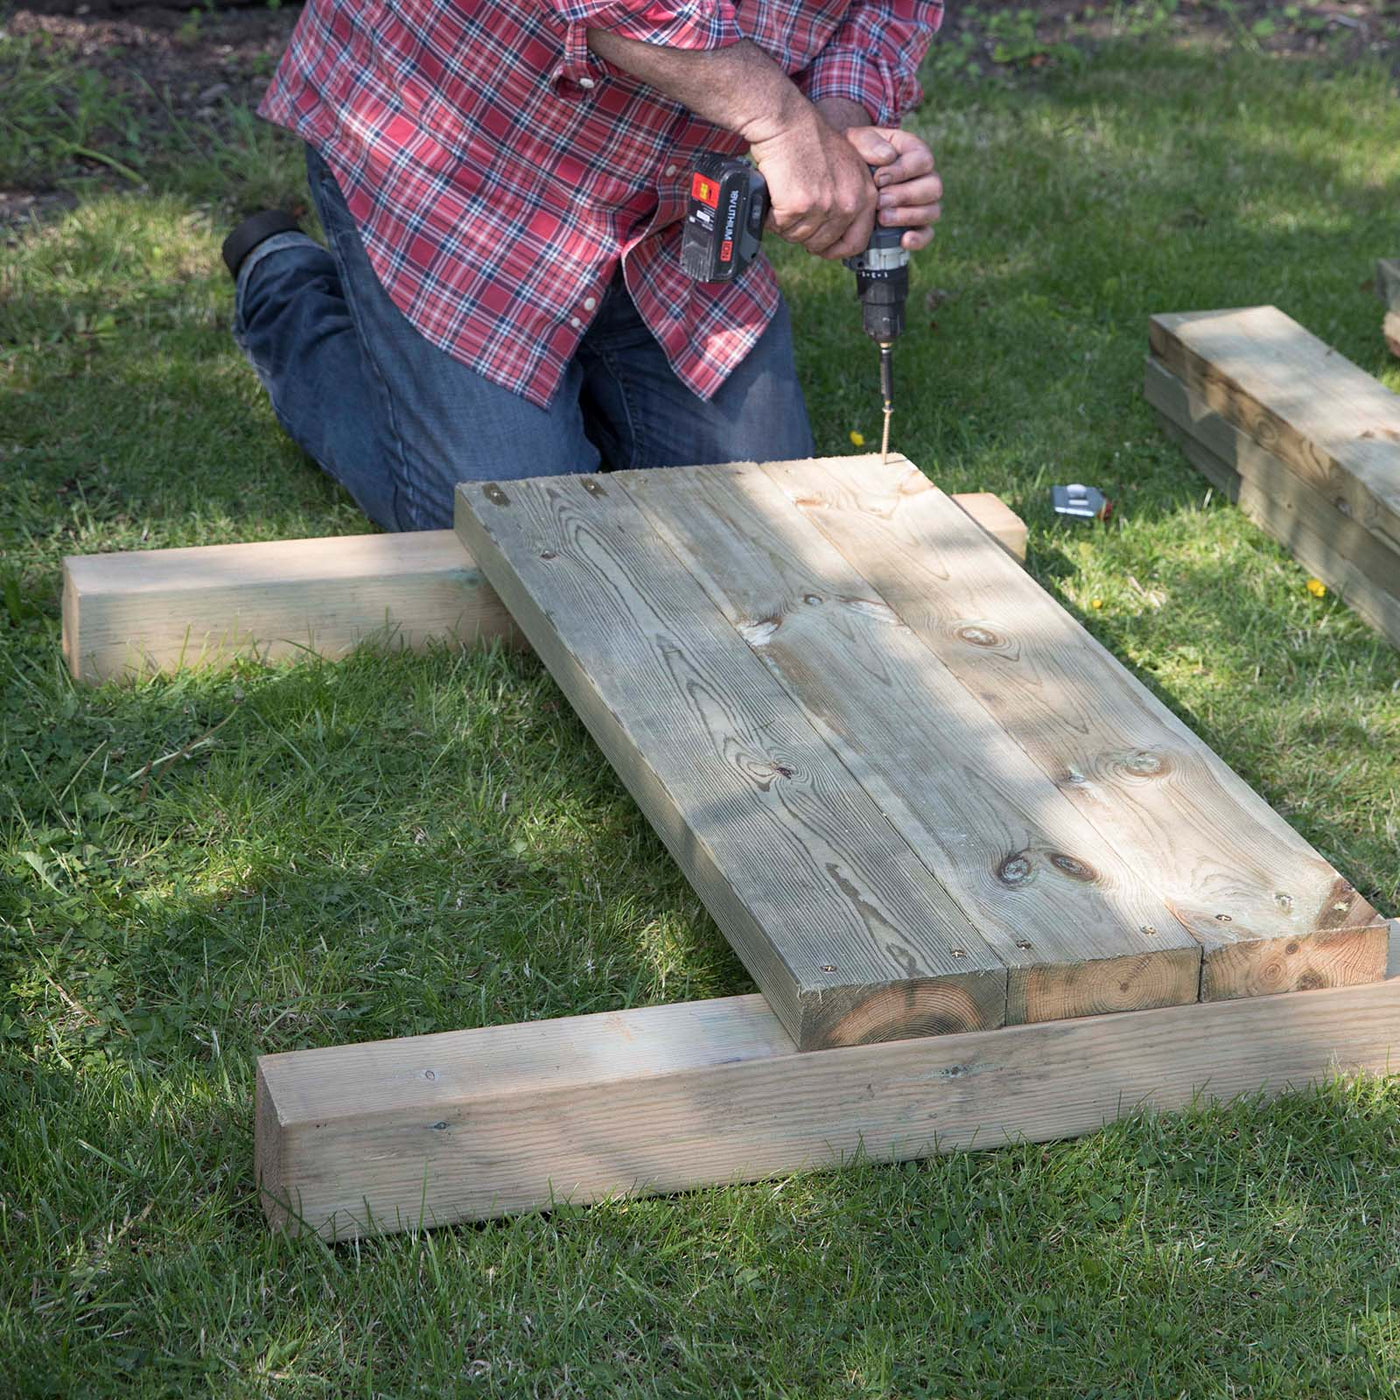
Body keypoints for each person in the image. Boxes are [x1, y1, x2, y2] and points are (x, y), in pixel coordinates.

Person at [225, 1, 945, 531]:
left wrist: (836, 123)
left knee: (762, 514)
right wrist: (782, 121)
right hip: (459, 159)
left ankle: (567, 381)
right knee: (514, 529)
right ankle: (285, 287)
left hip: (673, 204)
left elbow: (886, 10)